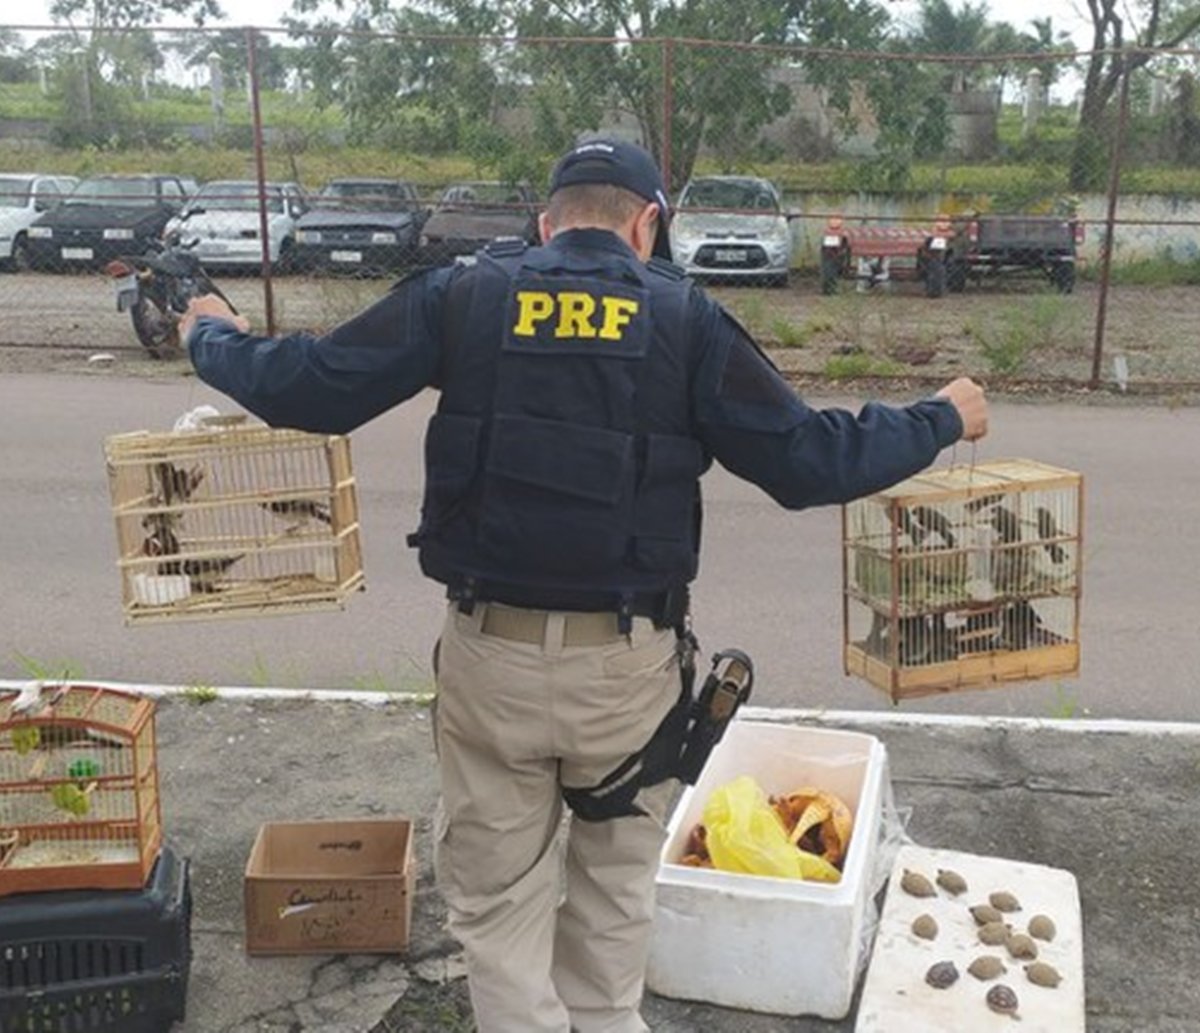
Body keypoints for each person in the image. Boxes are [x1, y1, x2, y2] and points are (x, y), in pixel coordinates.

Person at [181, 138, 987, 1033]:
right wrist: (941, 414)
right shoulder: (686, 322)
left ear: (545, 224)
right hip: (627, 677)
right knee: (611, 902)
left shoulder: (467, 295)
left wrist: (205, 330)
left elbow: (308, 388)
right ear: (649, 224)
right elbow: (808, 461)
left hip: (492, 660)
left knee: (498, 909)